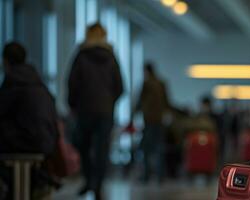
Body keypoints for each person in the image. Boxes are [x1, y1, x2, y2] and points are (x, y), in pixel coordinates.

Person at [68, 23, 123, 200]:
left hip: (84, 109)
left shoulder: (81, 55)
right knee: (102, 150)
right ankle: (97, 185)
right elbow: (120, 86)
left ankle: (89, 180)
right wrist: (110, 102)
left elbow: (72, 82)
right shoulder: (111, 56)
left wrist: (72, 105)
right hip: (105, 111)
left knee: (83, 145)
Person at [0, 42, 59, 199]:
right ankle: (37, 181)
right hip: (47, 143)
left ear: (5, 61)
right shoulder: (39, 84)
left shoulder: (12, 82)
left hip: (26, 143)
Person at [134, 62, 169, 183]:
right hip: (159, 120)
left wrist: (133, 114)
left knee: (146, 149)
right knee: (159, 148)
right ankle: (160, 176)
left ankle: (147, 175)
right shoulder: (162, 84)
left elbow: (139, 102)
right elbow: (166, 101)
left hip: (149, 120)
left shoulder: (146, 84)